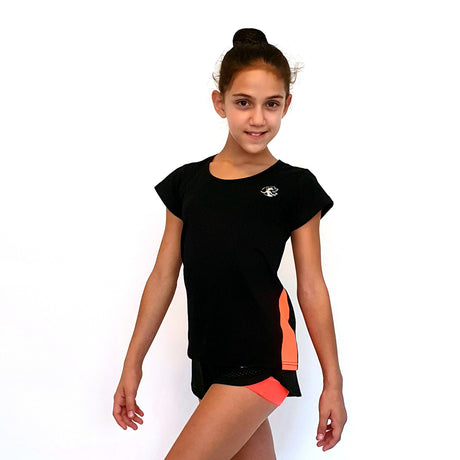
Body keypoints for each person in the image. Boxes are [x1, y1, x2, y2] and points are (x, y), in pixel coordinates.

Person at [113, 28, 347, 459]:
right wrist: (133, 363)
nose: (258, 118)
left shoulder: (295, 187)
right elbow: (163, 276)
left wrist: (334, 383)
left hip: (261, 355)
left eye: (271, 104)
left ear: (286, 105)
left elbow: (312, 286)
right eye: (243, 103)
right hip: (208, 358)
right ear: (219, 103)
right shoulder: (187, 184)